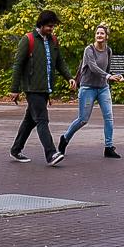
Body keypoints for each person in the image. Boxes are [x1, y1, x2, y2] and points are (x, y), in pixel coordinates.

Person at [10, 9, 76, 165]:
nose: (51, 29)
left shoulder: (53, 40)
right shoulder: (28, 39)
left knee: (30, 121)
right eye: (48, 26)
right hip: (32, 88)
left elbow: (59, 62)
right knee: (42, 120)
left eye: (53, 26)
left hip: (46, 88)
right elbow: (18, 65)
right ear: (41, 24)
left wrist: (70, 77)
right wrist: (14, 89)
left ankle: (16, 149)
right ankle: (51, 154)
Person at [60, 24, 124, 159]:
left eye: (102, 33)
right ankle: (65, 138)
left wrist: (116, 76)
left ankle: (108, 147)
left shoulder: (108, 51)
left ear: (107, 36)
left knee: (109, 117)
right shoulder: (89, 50)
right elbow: (93, 67)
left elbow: (107, 70)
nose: (99, 35)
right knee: (83, 119)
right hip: (87, 87)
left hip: (103, 88)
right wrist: (108, 76)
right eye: (97, 33)